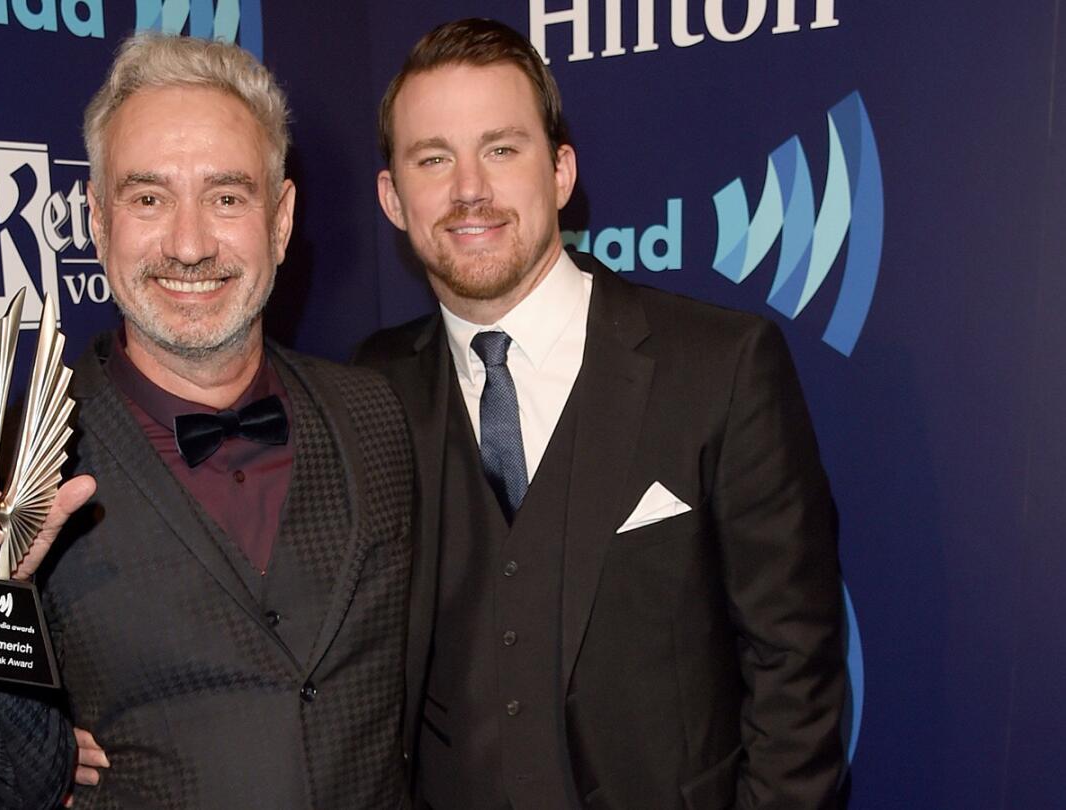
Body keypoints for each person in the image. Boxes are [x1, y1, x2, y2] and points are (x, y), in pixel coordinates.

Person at [0, 34, 412, 810]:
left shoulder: (375, 412)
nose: (188, 244)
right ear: (98, 222)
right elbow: (19, 789)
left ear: (278, 221)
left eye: (227, 196)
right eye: (148, 197)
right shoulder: (14, 460)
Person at [353, 18, 847, 810]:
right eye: (433, 157)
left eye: (502, 148)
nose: (468, 188)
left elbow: (796, 668)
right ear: (392, 197)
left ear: (560, 171)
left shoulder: (720, 365)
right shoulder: (369, 386)